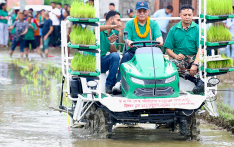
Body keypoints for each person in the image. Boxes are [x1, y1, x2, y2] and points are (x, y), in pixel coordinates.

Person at [113, 1, 163, 93]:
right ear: (135, 12)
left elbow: (159, 37)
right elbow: (126, 39)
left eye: (144, 11)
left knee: (160, 58)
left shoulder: (154, 24)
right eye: (140, 11)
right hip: (134, 52)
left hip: (151, 52)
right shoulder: (130, 23)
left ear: (148, 12)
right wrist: (129, 42)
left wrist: (160, 40)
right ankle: (119, 83)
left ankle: (161, 83)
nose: (142, 13)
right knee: (126, 56)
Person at [164, 4, 203, 94]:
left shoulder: (197, 29)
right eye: (185, 15)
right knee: (172, 65)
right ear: (180, 15)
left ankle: (200, 82)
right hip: (181, 59)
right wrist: (176, 56)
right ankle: (196, 80)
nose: (187, 17)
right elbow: (168, 49)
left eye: (189, 15)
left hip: (195, 56)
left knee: (204, 65)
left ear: (192, 15)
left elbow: (200, 48)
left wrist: (195, 64)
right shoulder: (173, 29)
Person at [100, 10, 122, 94]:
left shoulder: (112, 33)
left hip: (102, 62)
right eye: (118, 20)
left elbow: (114, 53)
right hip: (92, 62)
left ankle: (109, 85)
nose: (119, 23)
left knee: (116, 56)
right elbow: (97, 28)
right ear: (110, 20)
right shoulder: (99, 28)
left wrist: (112, 43)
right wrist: (111, 26)